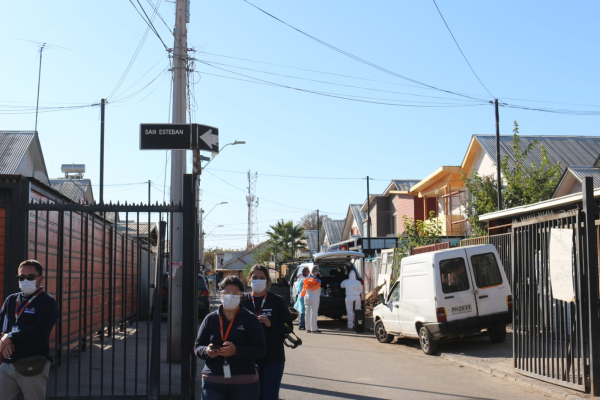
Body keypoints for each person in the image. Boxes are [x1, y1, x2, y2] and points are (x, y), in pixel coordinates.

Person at [195, 275, 266, 400]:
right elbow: (197, 347)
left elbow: (260, 349)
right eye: (227, 292)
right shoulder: (210, 319)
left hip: (244, 383)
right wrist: (207, 351)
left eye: (235, 293)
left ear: (241, 296)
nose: (231, 296)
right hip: (213, 381)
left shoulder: (250, 319)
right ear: (220, 295)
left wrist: (236, 351)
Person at [0, 260, 58, 400]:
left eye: (30, 277)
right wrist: (5, 340)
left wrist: (11, 337)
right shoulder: (11, 299)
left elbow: (40, 330)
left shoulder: (47, 301)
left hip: (32, 364)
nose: (25, 280)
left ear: (40, 279)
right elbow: (2, 325)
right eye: (21, 277)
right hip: (8, 363)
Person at [241, 264, 293, 400]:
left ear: (267, 281)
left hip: (273, 359)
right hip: (248, 360)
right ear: (249, 280)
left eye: (262, 278)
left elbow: (288, 327)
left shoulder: (277, 301)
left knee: (269, 396)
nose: (258, 280)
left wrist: (271, 324)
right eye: (255, 277)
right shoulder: (242, 301)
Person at [301, 265, 322, 334]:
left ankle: (308, 328)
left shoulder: (306, 279)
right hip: (314, 297)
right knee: (314, 313)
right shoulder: (317, 280)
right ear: (317, 271)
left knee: (307, 313)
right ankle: (314, 329)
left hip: (306, 296)